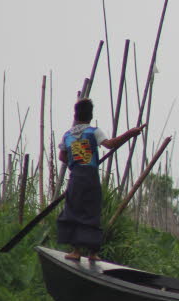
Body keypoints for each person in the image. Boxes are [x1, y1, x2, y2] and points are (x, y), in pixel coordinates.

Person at [57, 98, 145, 261]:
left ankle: (76, 251)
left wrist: (75, 163)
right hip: (90, 177)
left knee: (74, 210)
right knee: (92, 211)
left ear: (76, 116)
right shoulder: (93, 132)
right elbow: (111, 144)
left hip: (75, 178)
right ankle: (92, 253)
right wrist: (130, 133)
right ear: (90, 116)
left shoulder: (67, 135)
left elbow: (62, 156)